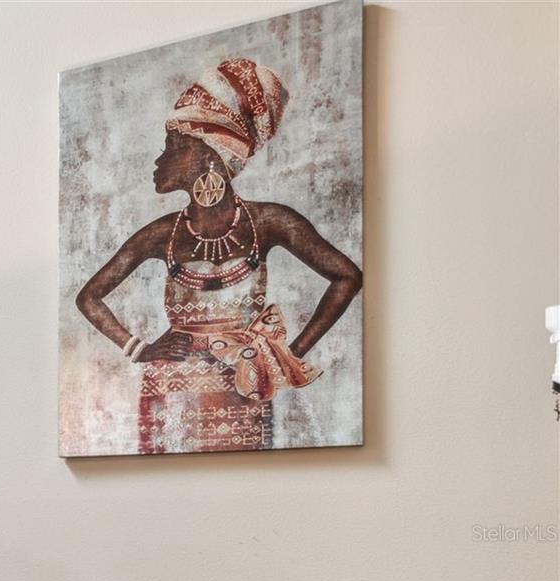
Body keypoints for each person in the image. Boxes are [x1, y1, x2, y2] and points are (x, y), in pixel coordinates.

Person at [75, 58, 362, 453]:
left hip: (244, 385)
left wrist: (288, 356)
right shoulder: (163, 234)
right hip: (169, 391)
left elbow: (348, 277)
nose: (160, 160)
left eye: (172, 147)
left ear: (209, 156)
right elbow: (89, 297)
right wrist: (141, 349)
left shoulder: (269, 221)